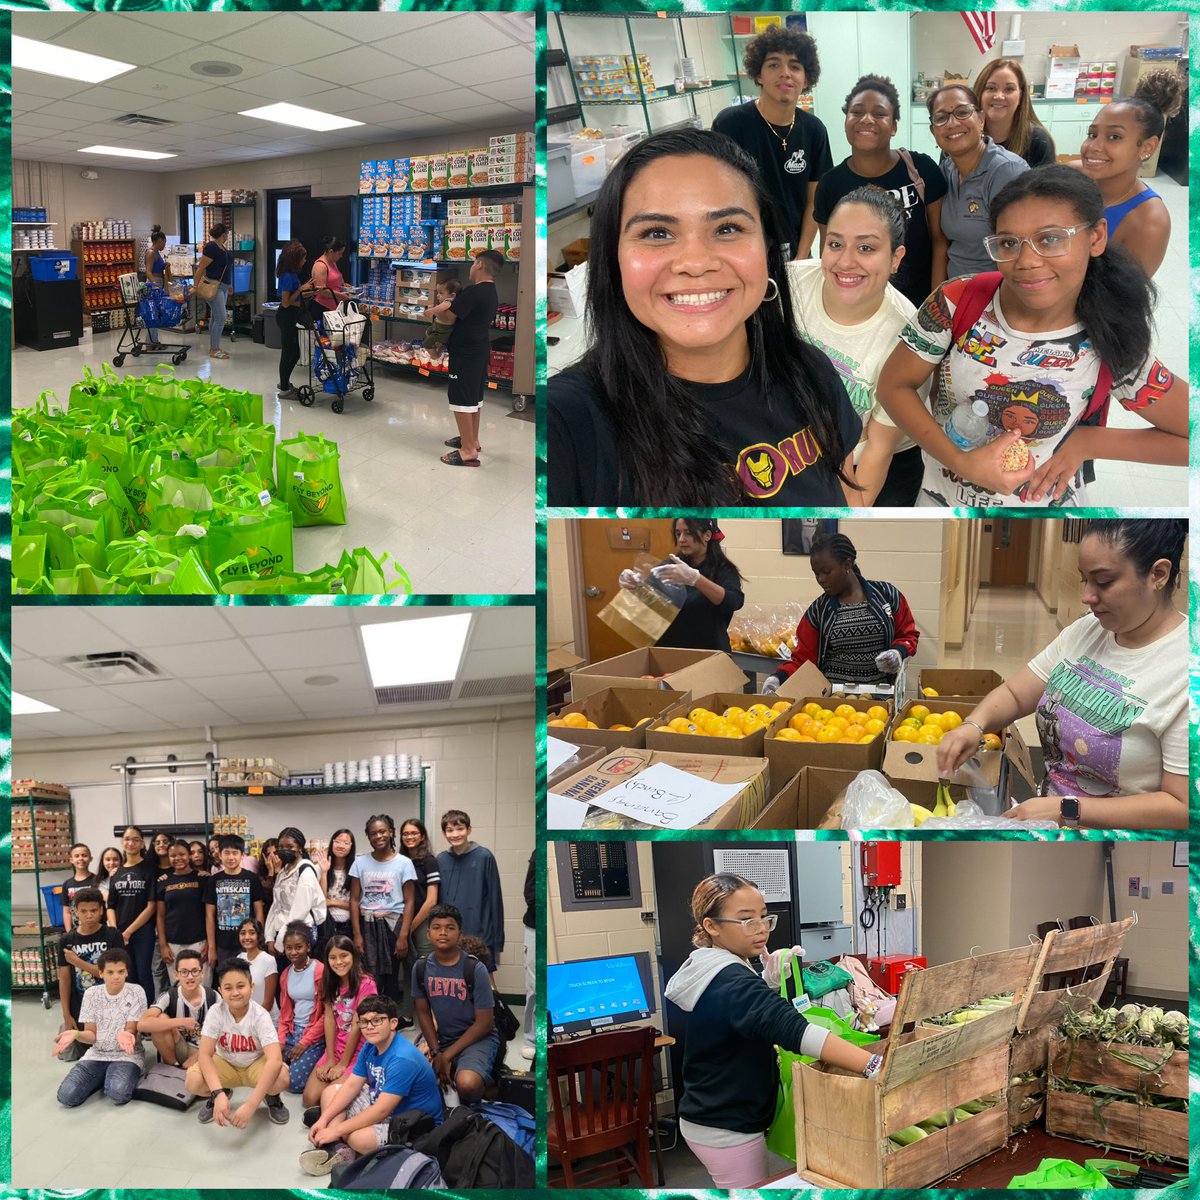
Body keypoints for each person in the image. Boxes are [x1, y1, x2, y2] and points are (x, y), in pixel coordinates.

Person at [547, 128, 862, 507]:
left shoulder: (812, 372)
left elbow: (847, 499)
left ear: (766, 250)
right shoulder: (567, 423)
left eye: (727, 228)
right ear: (613, 262)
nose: (695, 263)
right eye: (657, 233)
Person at [878, 165, 1188, 508]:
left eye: (1050, 238)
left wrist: (1090, 442)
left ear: (1096, 237)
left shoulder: (1109, 334)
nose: (1025, 261)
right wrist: (959, 460)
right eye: (1009, 242)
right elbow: (894, 386)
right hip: (944, 498)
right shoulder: (957, 301)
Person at [939, 519, 1186, 830]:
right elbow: (1016, 694)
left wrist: (1068, 809)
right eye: (1083, 580)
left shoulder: (1184, 671)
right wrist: (974, 726)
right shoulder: (1087, 630)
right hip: (1050, 824)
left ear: (1158, 574)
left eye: (1104, 581)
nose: (1086, 596)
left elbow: (1182, 807)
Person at [664, 874, 881, 1187]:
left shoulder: (709, 964)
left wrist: (767, 981)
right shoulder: (733, 982)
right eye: (746, 920)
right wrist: (873, 1065)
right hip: (726, 1126)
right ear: (711, 926)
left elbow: (735, 1021)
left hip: (708, 1109)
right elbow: (797, 1032)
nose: (761, 927)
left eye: (764, 916)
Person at [793, 189, 928, 505]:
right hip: (798, 448)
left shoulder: (910, 340)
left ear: (896, 258)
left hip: (871, 458)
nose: (845, 261)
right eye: (835, 244)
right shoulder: (790, 285)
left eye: (866, 247)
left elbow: (877, 452)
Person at [813, 75, 948, 307]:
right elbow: (830, 255)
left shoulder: (921, 169)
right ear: (846, 122)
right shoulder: (830, 184)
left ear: (894, 126)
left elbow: (939, 241)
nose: (867, 119)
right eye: (856, 112)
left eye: (879, 113)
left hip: (918, 302)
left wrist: (934, 304)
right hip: (861, 305)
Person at [712, 25, 831, 259]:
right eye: (774, 64)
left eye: (795, 66)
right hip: (743, 249)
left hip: (796, 250)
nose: (785, 73)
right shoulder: (730, 124)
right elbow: (718, 195)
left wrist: (802, 254)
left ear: (806, 79)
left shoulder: (814, 130)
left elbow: (815, 202)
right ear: (759, 74)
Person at [300, 995, 442, 1176]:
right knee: (329, 1092)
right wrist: (323, 1119)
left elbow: (381, 1111)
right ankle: (340, 1148)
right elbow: (351, 1085)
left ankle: (338, 1144)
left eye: (377, 1020)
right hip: (384, 1102)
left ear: (393, 1023)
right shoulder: (370, 1046)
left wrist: (335, 1129)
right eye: (364, 1022)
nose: (369, 1027)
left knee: (358, 1138)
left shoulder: (402, 1058)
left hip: (413, 1123)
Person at [761, 531, 918, 693]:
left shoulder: (887, 596)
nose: (821, 579)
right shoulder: (818, 612)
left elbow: (908, 635)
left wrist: (898, 652)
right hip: (835, 705)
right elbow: (802, 660)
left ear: (847, 565)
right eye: (816, 573)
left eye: (827, 571)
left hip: (881, 700)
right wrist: (778, 677)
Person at [1077, 70, 1183, 278]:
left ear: (1147, 147)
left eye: (1114, 137)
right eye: (1092, 134)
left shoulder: (1149, 222)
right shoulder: (1072, 175)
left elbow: (1123, 300)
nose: (1094, 146)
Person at [928, 84, 1028, 278]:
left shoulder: (1007, 172)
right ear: (933, 132)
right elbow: (942, 245)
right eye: (941, 118)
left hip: (997, 292)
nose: (952, 123)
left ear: (981, 120)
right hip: (956, 290)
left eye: (962, 112)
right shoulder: (945, 171)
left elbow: (1021, 252)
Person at [413, 903, 501, 1105]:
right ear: (428, 934)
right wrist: (436, 1052)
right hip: (442, 1038)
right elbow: (423, 1013)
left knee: (467, 1084)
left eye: (450, 927)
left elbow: (484, 1023)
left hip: (477, 1038)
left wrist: (446, 1057)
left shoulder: (474, 968)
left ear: (460, 934)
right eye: (436, 927)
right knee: (415, 1077)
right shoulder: (421, 967)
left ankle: (485, 1092)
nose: (443, 932)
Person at [186, 957, 290, 1126]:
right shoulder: (216, 1012)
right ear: (220, 990)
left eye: (241, 986)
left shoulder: (260, 1015)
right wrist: (217, 1092)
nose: (235, 992)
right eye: (228, 988)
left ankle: (270, 1096)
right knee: (193, 1081)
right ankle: (220, 1094)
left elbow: (275, 1059)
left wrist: (251, 1104)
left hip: (255, 1065)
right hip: (226, 1064)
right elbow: (205, 1054)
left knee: (282, 1078)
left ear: (252, 987)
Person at [618, 518, 746, 653]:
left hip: (710, 652)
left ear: (707, 535)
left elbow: (734, 601)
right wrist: (634, 587)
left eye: (688, 533)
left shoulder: (723, 569)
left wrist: (695, 579)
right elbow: (651, 603)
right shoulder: (669, 567)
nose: (681, 539)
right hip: (669, 651)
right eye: (678, 533)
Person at [430, 249, 502, 467]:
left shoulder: (473, 292)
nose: (471, 267)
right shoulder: (491, 291)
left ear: (479, 265)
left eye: (472, 263)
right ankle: (472, 440)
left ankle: (468, 451)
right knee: (474, 399)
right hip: (479, 349)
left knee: (461, 399)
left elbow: (447, 316)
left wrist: (436, 309)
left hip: (465, 353)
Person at [54, 948, 147, 1108]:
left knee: (118, 1094)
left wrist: (127, 1033)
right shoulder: (91, 994)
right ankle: (102, 1076)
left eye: (120, 971)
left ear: (127, 972)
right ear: (101, 973)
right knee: (66, 1096)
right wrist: (76, 1034)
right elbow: (91, 1035)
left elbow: (131, 1029)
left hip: (126, 1055)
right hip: (96, 1055)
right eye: (110, 972)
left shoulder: (136, 991)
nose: (116, 976)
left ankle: (110, 1077)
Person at [349, 814, 416, 1010]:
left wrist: (403, 935)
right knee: (371, 975)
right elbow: (354, 900)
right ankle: (374, 1019)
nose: (378, 836)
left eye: (382, 831)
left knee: (392, 976)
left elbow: (410, 901)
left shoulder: (404, 863)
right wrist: (357, 935)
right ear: (367, 836)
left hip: (393, 926)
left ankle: (390, 1022)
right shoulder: (360, 863)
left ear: (391, 832)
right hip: (368, 925)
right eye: (373, 833)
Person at [305, 934, 377, 1107]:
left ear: (353, 956)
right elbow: (329, 1019)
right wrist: (330, 1058)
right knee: (309, 1099)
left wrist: (343, 1064)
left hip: (359, 1051)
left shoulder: (366, 984)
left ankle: (361, 1088)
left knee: (329, 1100)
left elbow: (357, 1025)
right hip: (336, 1048)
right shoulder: (327, 983)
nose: (339, 962)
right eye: (333, 957)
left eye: (344, 955)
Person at [56, 887, 122, 1063]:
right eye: (83, 911)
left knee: (113, 1051)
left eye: (94, 910)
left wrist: (78, 962)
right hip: (81, 1006)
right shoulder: (67, 940)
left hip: (111, 1006)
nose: (89, 915)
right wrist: (66, 1014)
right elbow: (64, 979)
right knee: (76, 1055)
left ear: (101, 909)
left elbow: (114, 975)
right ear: (75, 911)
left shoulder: (113, 935)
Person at [437, 810, 504, 970]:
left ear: (469, 830)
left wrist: (497, 940)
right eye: (450, 830)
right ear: (444, 833)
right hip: (450, 935)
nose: (455, 834)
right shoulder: (440, 860)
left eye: (460, 829)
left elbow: (495, 900)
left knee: (482, 980)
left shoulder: (484, 856)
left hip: (479, 935)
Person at [137, 948, 217, 1070]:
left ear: (202, 973)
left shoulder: (214, 996)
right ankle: (173, 1068)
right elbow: (142, 1024)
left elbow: (226, 1032)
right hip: (179, 1047)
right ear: (176, 974)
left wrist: (198, 1056)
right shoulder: (169, 995)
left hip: (207, 1051)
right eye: (184, 972)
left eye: (195, 971)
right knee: (160, 1018)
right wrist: (180, 1022)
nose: (190, 977)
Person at [106, 825, 158, 1007]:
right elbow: (110, 906)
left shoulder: (150, 868)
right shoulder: (116, 873)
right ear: (122, 842)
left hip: (143, 931)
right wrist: (115, 930)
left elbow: (151, 906)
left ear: (142, 843)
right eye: (127, 839)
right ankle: (131, 1017)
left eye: (136, 839)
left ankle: (148, 1017)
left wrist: (128, 932)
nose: (131, 842)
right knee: (127, 975)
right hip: (120, 933)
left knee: (144, 974)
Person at [973, 59, 1056, 168]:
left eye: (1009, 89)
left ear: (1021, 96)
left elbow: (1046, 185)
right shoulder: (964, 135)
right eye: (991, 88)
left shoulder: (1038, 140)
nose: (999, 96)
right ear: (980, 92)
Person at [398, 818, 440, 1028]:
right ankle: (407, 1014)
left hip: (422, 922)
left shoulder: (429, 861)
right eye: (405, 834)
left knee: (426, 968)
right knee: (407, 970)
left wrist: (410, 926)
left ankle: (433, 1018)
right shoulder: (399, 860)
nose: (409, 837)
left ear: (422, 836)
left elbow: (432, 900)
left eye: (414, 833)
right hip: (402, 919)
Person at [277, 921, 326, 1095]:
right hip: (292, 1031)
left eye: (298, 947)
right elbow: (284, 1013)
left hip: (313, 1033)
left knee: (294, 1084)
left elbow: (328, 1015)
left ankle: (315, 1061)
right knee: (267, 1069)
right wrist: (281, 1041)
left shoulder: (319, 971)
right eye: (289, 947)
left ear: (308, 946)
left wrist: (305, 1042)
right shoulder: (286, 974)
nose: (293, 952)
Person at [205, 834, 266, 967]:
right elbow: (209, 915)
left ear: (242, 855)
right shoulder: (214, 880)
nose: (231, 857)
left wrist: (259, 939)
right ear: (219, 855)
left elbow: (259, 910)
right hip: (223, 943)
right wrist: (212, 947)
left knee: (249, 978)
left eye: (235, 853)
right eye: (226, 853)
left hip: (248, 941)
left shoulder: (252, 879)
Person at [156, 839, 209, 987]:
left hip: (199, 942)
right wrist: (163, 945)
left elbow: (209, 914)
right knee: (179, 989)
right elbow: (160, 916)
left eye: (182, 854)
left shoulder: (202, 879)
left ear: (189, 855)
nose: (178, 858)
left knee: (203, 987)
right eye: (173, 855)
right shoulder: (163, 881)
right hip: (173, 944)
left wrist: (210, 943)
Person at [265, 827, 326, 955]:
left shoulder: (305, 871)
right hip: (281, 934)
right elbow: (276, 906)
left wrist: (281, 943)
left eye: (290, 846)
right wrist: (269, 937)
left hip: (298, 937)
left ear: (299, 848)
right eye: (281, 846)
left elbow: (299, 911)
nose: (284, 850)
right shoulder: (283, 871)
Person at [275, 239, 313, 401]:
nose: (305, 261)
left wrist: (310, 292)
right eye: (303, 258)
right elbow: (286, 302)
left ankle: (285, 383)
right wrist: (300, 289)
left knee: (294, 351)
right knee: (290, 352)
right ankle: (284, 388)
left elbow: (294, 298)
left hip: (291, 314)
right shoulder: (288, 277)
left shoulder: (290, 275)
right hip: (287, 317)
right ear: (295, 259)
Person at [194, 222, 233, 360]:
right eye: (227, 233)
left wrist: (229, 284)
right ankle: (214, 349)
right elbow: (201, 268)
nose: (227, 235)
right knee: (221, 318)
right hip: (213, 286)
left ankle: (215, 346)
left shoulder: (222, 247)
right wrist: (194, 286)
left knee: (216, 317)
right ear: (223, 234)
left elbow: (226, 268)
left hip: (222, 286)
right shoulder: (211, 247)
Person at [317, 828, 356, 943]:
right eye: (337, 841)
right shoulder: (322, 867)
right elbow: (321, 900)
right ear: (332, 843)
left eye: (346, 843)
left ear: (351, 846)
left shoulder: (355, 869)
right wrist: (324, 872)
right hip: (326, 924)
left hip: (347, 926)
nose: (341, 846)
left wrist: (332, 902)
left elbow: (357, 904)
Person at [308, 235, 353, 325]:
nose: (341, 256)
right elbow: (321, 290)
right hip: (322, 308)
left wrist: (343, 285)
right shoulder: (320, 266)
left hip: (334, 308)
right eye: (339, 253)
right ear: (331, 252)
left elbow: (334, 280)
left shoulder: (332, 262)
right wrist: (340, 295)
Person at [237, 918, 278, 1013]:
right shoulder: (239, 958)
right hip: (246, 1016)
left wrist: (253, 1022)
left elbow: (269, 1002)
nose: (247, 937)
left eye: (252, 933)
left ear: (259, 936)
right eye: (243, 933)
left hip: (266, 1017)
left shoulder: (268, 960)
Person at [143, 226, 173, 346]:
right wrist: (154, 283)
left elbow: (156, 267)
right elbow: (148, 271)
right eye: (164, 242)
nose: (164, 245)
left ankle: (153, 341)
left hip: (159, 281)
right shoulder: (150, 253)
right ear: (160, 240)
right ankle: (150, 343)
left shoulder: (157, 253)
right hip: (154, 283)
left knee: (155, 314)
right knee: (153, 314)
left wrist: (165, 265)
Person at [420, 278, 461, 362]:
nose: (438, 295)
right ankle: (441, 346)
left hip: (442, 329)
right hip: (437, 326)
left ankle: (435, 356)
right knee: (427, 333)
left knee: (426, 344)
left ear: (452, 295)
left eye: (441, 293)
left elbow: (444, 306)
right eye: (438, 292)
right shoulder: (447, 301)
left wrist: (432, 311)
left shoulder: (448, 302)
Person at [60, 843, 97, 933]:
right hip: (76, 932)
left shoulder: (98, 881)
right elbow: (66, 912)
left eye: (84, 855)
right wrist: (69, 933)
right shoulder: (67, 884)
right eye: (77, 856)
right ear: (71, 860)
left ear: (90, 858)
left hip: (96, 930)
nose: (81, 858)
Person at [521, 851, 535, 1062]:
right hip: (535, 926)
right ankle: (531, 1040)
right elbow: (530, 893)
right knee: (534, 987)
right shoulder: (536, 853)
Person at [257, 837, 280, 905]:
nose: (272, 857)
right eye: (268, 854)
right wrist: (270, 872)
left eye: (275, 853)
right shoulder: (261, 872)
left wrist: (278, 872)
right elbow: (267, 898)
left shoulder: (288, 869)